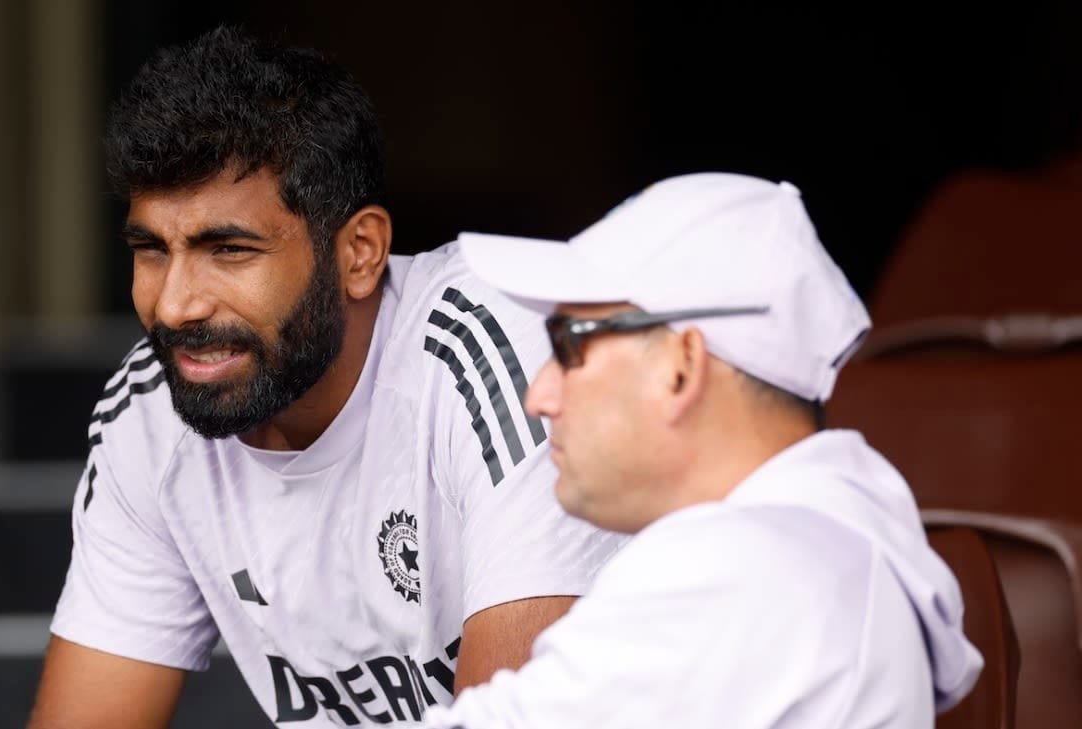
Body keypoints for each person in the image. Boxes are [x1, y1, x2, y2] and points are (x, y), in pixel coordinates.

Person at [25, 26, 626, 729]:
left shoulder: (491, 357)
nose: (176, 305)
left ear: (360, 252)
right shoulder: (150, 413)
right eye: (152, 250)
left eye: (230, 250)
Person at [420, 172, 985, 728]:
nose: (539, 396)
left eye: (569, 346)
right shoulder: (820, 548)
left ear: (681, 365)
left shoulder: (738, 568)